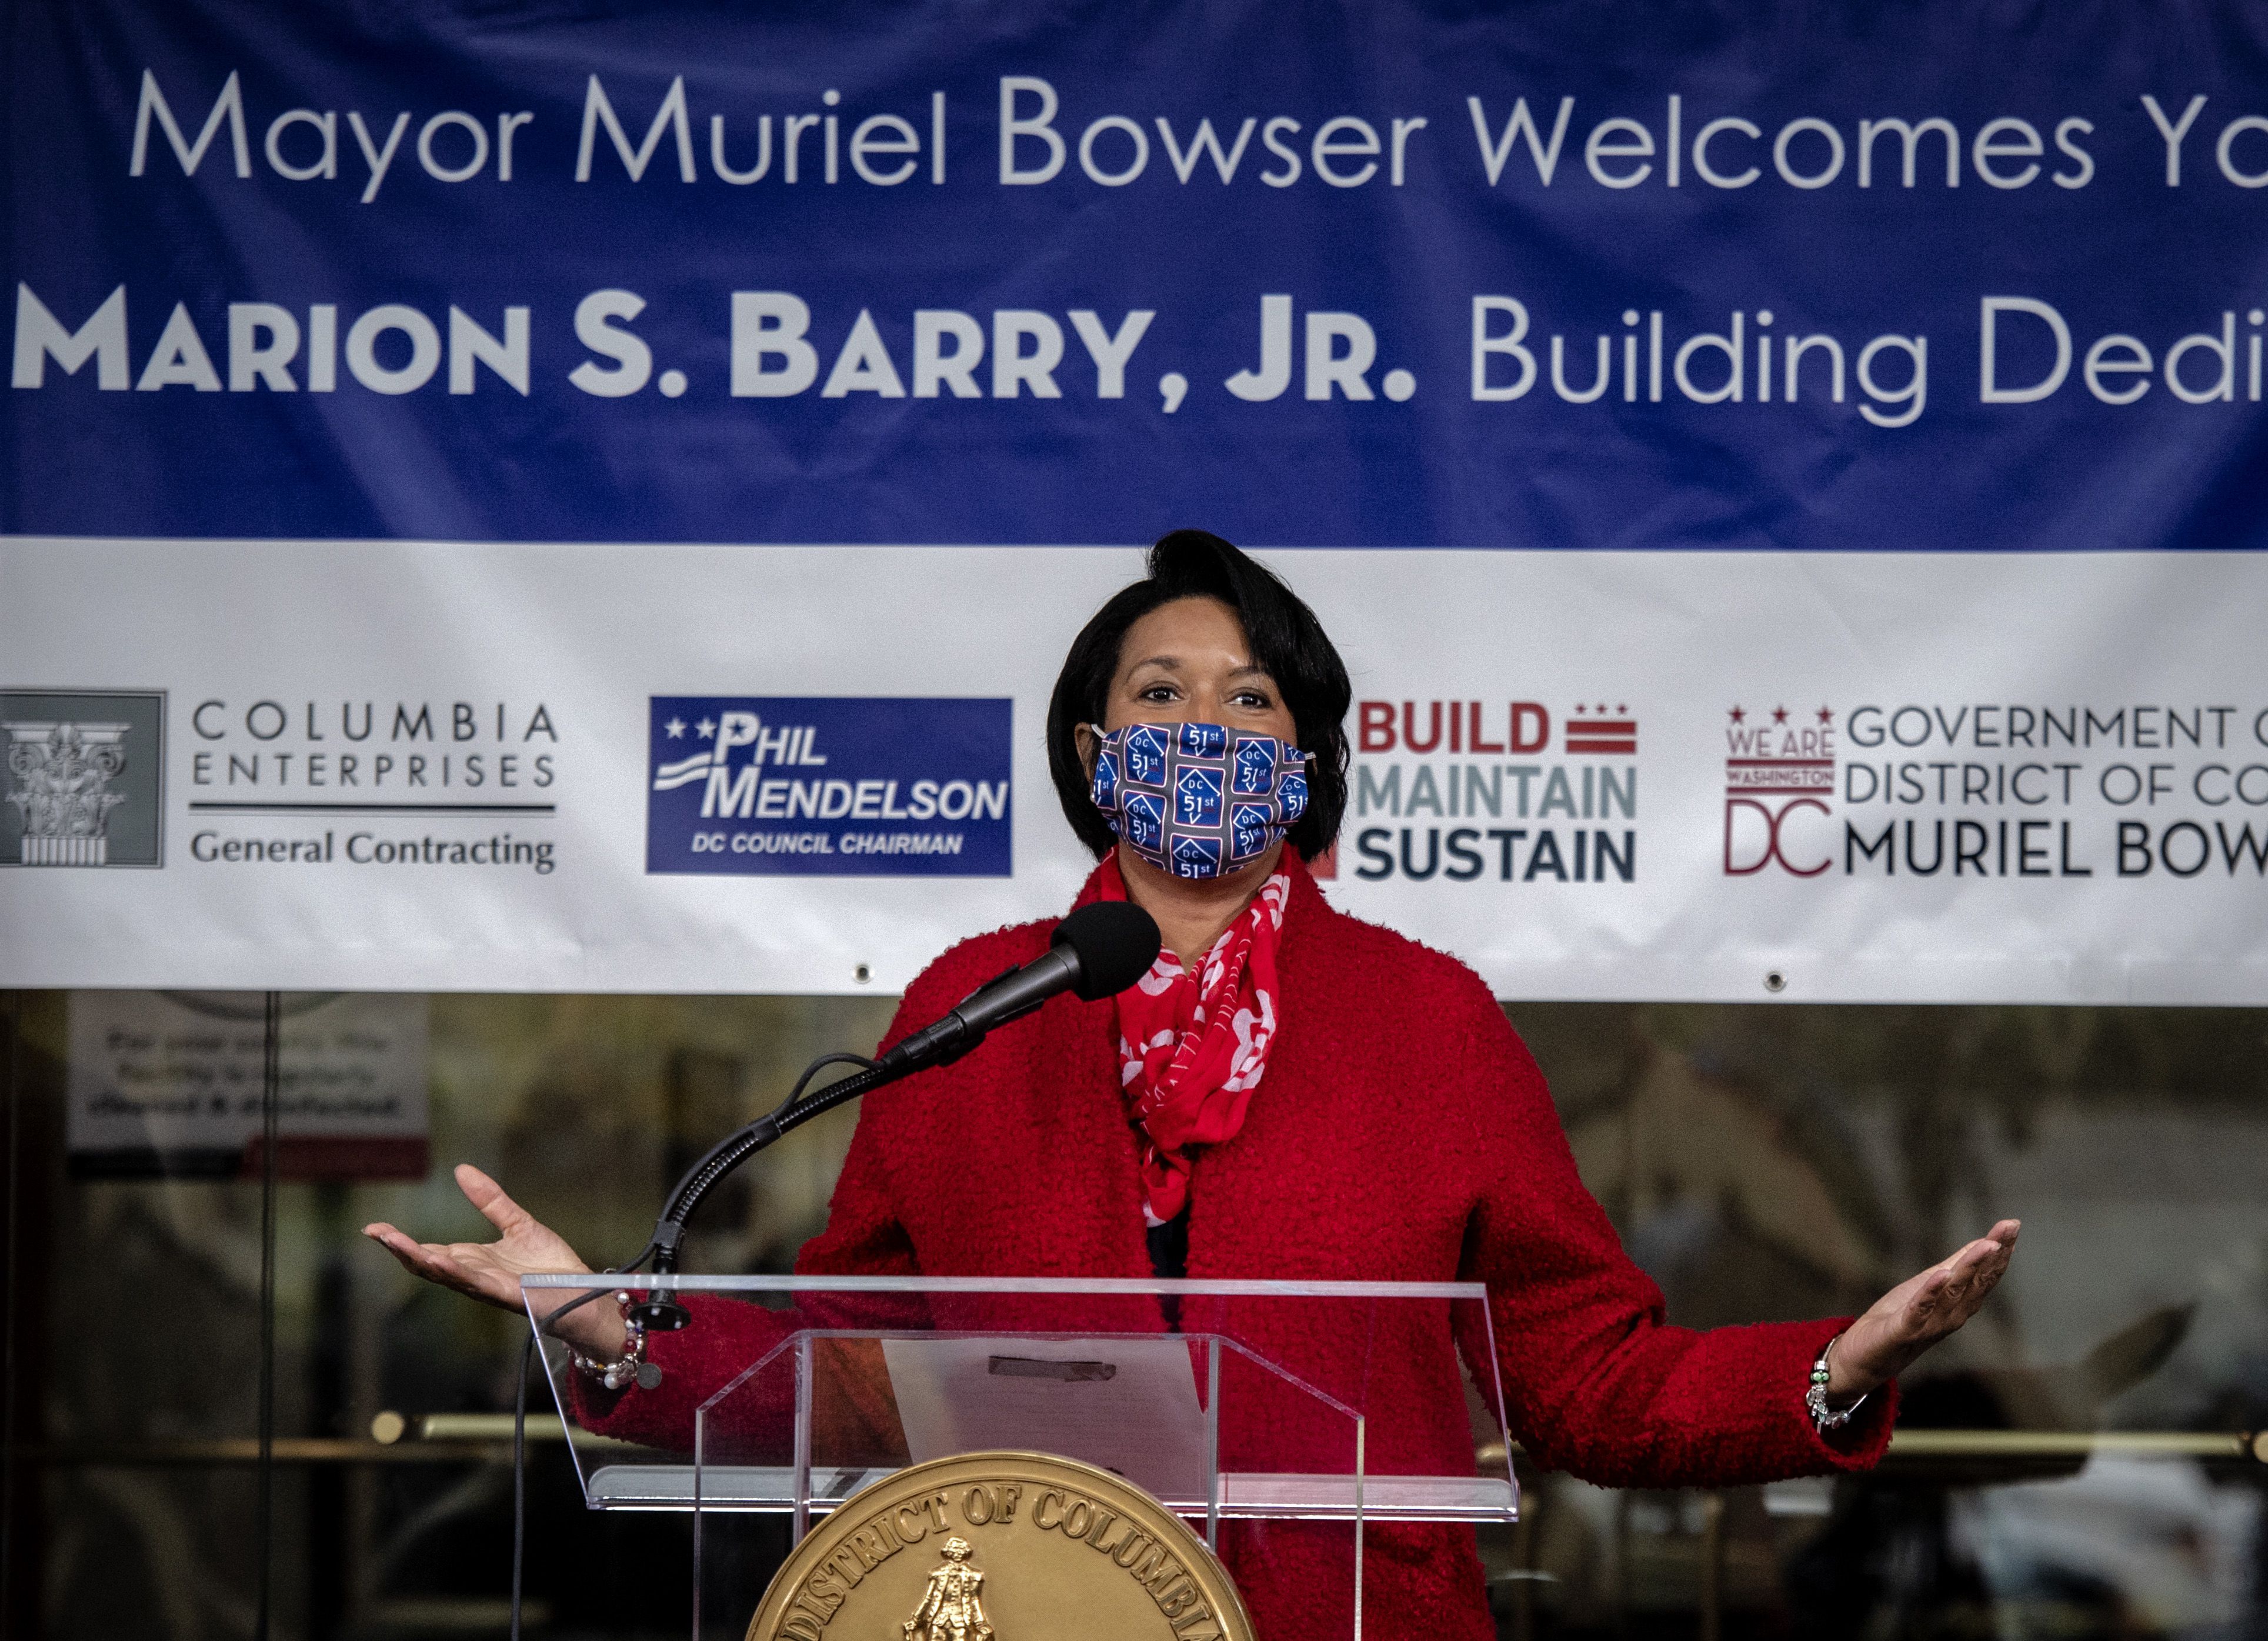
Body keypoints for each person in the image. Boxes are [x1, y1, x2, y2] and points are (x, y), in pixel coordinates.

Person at [368, 529, 2018, 1640]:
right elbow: (853, 1373)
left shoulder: (1430, 1021)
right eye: (1160, 693)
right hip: (1033, 1615)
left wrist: (1833, 1369)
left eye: (1251, 697)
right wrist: (614, 1323)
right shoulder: (973, 1008)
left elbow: (1586, 1381)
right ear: (1094, 754)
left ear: (1307, 760)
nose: (1205, 724)